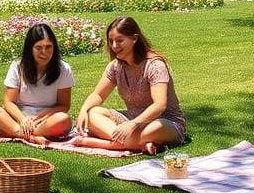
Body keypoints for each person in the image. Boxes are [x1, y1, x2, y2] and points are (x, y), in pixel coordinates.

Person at [75, 16, 186, 154]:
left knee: (157, 127)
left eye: (120, 40)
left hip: (164, 122)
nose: (114, 46)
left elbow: (159, 105)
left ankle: (103, 143)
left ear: (134, 38)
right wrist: (83, 111)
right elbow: (98, 94)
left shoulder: (155, 66)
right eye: (111, 41)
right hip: (130, 120)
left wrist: (132, 124)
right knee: (93, 113)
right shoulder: (115, 67)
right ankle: (136, 143)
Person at [0, 23, 74, 142]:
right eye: (38, 48)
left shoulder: (63, 68)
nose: (44, 52)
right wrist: (23, 120)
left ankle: (15, 133)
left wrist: (38, 119)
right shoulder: (17, 67)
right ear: (30, 48)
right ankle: (31, 137)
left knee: (63, 120)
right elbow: (9, 102)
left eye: (48, 47)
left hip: (46, 119)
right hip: (19, 118)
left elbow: (63, 105)